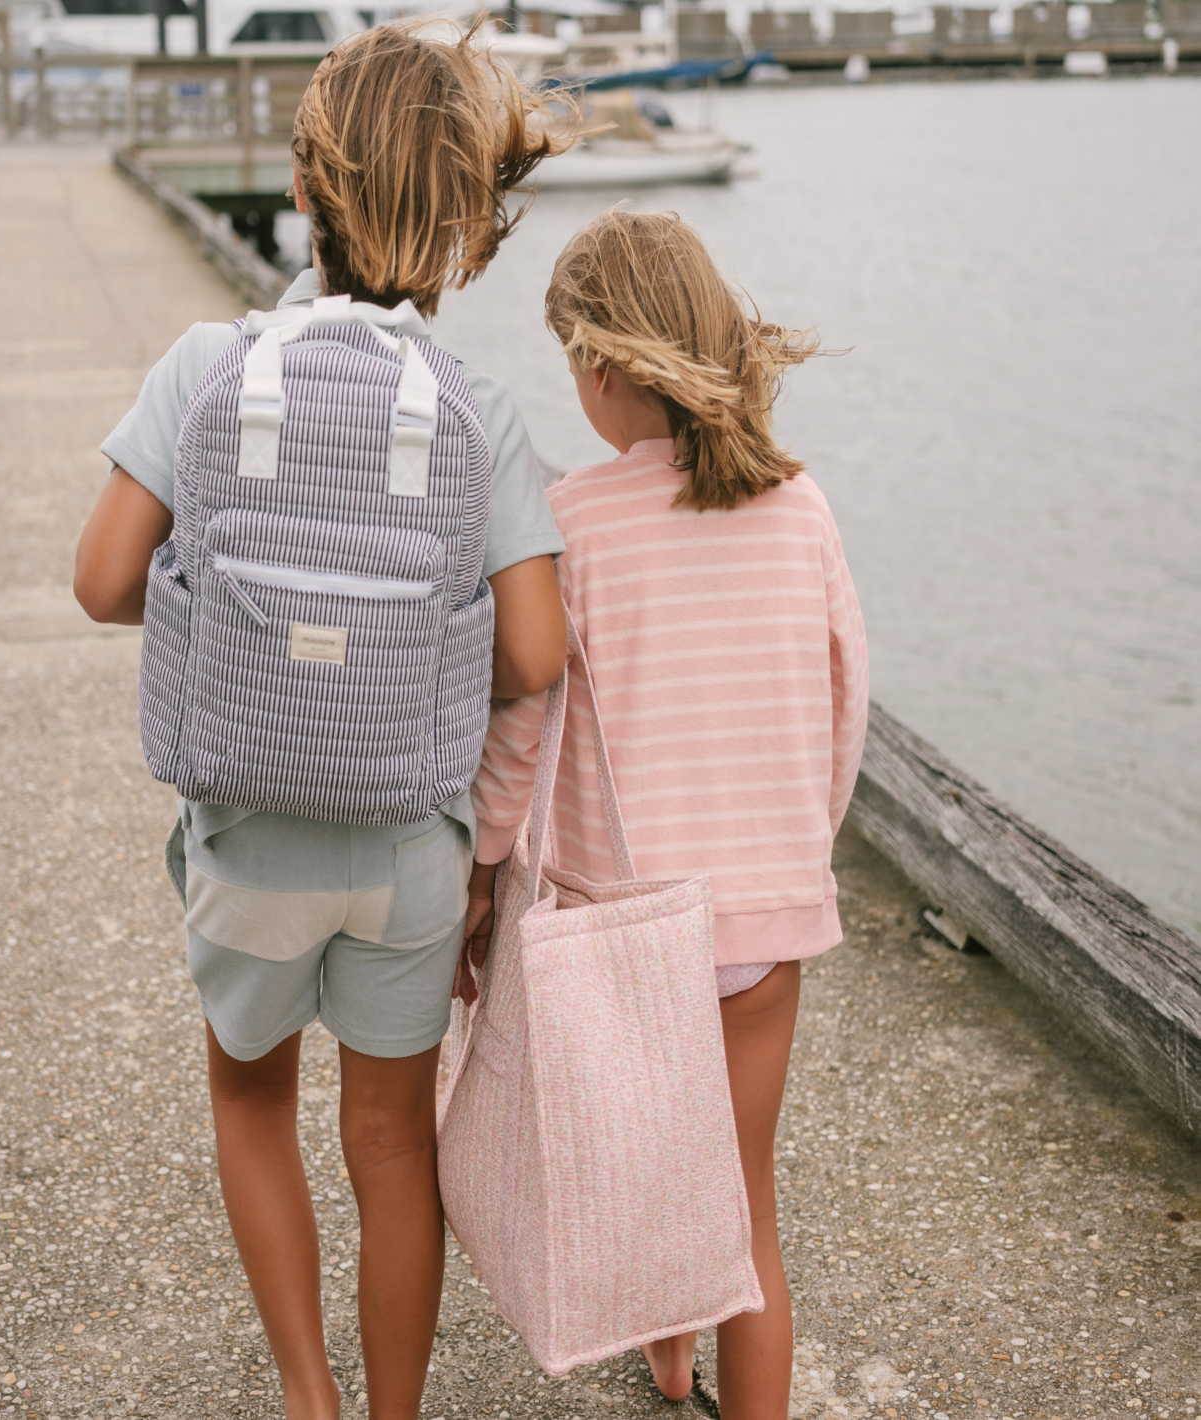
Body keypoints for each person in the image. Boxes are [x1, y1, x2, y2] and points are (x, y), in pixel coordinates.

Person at [72, 24, 570, 1420]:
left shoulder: (204, 365)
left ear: (307, 193)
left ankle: (308, 1397)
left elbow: (103, 580)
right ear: (467, 225)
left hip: (246, 840)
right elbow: (536, 653)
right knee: (392, 1147)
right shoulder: (478, 408)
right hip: (405, 852)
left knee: (251, 1106)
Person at [464, 209, 869, 1417]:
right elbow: (843, 704)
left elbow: (521, 726)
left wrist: (486, 867)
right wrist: (801, 855)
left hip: (623, 920)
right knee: (745, 1205)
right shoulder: (800, 509)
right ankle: (697, 1374)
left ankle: (663, 1350)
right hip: (760, 927)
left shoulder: (574, 522)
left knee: (649, 1174)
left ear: (596, 367)